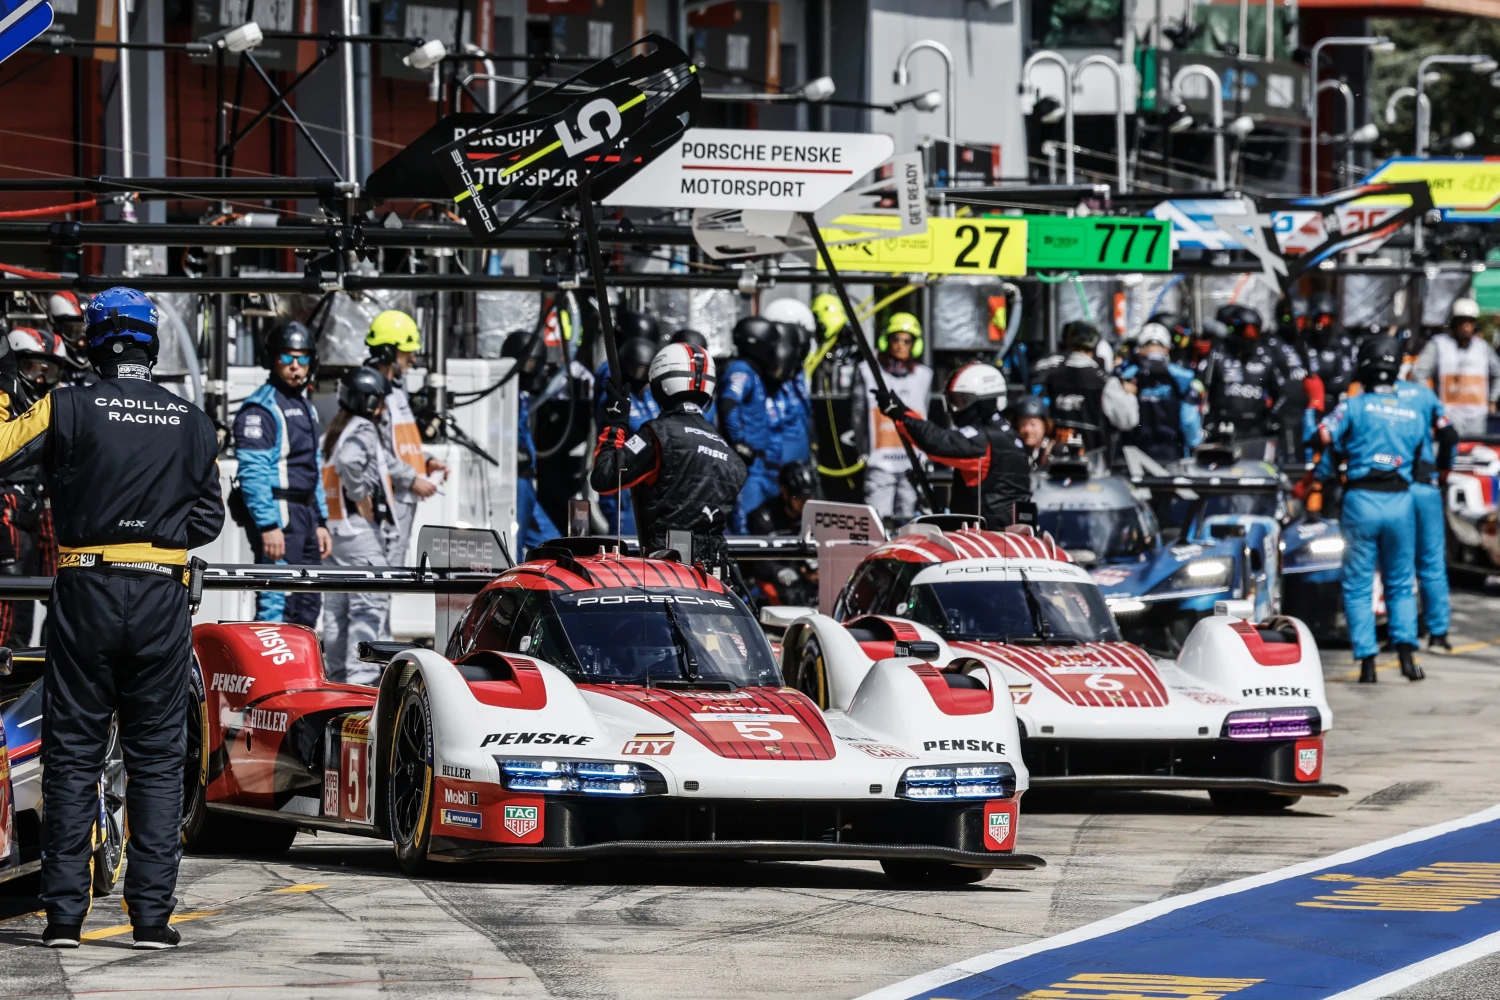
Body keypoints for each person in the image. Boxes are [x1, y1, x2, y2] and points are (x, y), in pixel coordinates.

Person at [0, 287, 223, 949]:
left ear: (92, 342)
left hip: (87, 586)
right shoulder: (191, 419)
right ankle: (151, 921)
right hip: (161, 593)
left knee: (73, 758)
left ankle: (64, 919)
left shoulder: (65, 405)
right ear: (150, 343)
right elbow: (209, 519)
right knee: (156, 762)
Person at [1313, 336, 1456, 683]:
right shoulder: (1413, 410)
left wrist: (1321, 474)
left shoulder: (1354, 405)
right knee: (1402, 580)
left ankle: (1367, 663)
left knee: (1359, 583)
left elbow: (1323, 435)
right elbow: (1444, 437)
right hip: (1402, 501)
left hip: (1360, 501)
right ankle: (1408, 655)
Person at [592, 342, 747, 574]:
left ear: (659, 385)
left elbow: (604, 477)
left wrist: (616, 424)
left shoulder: (658, 434)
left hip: (666, 576)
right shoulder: (732, 457)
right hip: (714, 580)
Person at [231, 322, 331, 627]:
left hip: (306, 516)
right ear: (272, 359)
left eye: (302, 359)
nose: (295, 367)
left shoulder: (305, 405)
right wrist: (268, 525)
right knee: (277, 601)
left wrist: (322, 521)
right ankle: (269, 672)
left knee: (309, 600)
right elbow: (253, 472)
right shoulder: (260, 409)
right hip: (279, 516)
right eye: (287, 358)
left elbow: (311, 465)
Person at [320, 366, 401, 686]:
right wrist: (362, 497)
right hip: (359, 533)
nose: (382, 408)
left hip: (336, 532)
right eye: (379, 401)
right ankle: (363, 681)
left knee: (337, 612)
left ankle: (338, 679)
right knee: (370, 605)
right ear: (368, 402)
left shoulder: (335, 430)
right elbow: (351, 462)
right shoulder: (363, 429)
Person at [881, 364, 1031, 526]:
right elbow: (986, 480)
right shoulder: (1004, 434)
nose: (953, 409)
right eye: (951, 401)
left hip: (991, 536)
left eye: (961, 401)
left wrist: (901, 414)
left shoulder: (985, 438)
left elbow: (937, 443)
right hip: (1003, 530)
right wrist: (929, 478)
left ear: (985, 401)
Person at [0, 327, 68, 645]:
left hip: (44, 515)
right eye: (32, 369)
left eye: (48, 371)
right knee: (10, 617)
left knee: (62, 600)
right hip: (10, 519)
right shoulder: (3, 399)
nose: (40, 379)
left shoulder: (60, 408)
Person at [364, 310, 447, 565]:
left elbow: (401, 444)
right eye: (407, 350)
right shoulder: (369, 392)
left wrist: (427, 460)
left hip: (401, 500)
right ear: (388, 351)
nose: (413, 357)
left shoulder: (395, 392)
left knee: (392, 580)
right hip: (383, 504)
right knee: (379, 583)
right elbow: (369, 450)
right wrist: (411, 477)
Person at [850, 311, 933, 524]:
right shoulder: (868, 372)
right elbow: (858, 419)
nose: (900, 345)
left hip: (911, 466)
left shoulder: (924, 376)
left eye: (907, 340)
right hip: (880, 465)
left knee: (909, 525)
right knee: (877, 524)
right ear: (886, 341)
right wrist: (865, 452)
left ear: (914, 344)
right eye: (896, 339)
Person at [1399, 378, 1458, 653]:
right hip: (1426, 482)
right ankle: (1438, 634)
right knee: (1432, 564)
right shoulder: (1426, 395)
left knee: (1397, 566)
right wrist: (1443, 470)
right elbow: (1450, 436)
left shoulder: (1368, 397)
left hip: (1391, 487)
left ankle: (1402, 635)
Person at [1030, 321, 1139, 454]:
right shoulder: (1104, 381)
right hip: (1093, 461)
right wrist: (1130, 394)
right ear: (1095, 346)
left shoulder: (1048, 372)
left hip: (1052, 458)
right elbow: (1128, 421)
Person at [719, 316, 783, 532]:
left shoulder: (753, 371)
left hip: (759, 465)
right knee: (746, 524)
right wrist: (738, 442)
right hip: (747, 465)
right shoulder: (742, 371)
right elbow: (728, 402)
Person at [592, 335, 660, 535]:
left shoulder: (650, 396)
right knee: (625, 541)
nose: (642, 376)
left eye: (647, 371)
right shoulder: (614, 398)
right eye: (639, 370)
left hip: (646, 481)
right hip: (622, 479)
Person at [500, 329, 560, 554]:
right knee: (512, 546)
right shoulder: (503, 395)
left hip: (526, 481)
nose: (533, 372)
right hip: (514, 480)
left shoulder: (521, 397)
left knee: (555, 545)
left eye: (537, 365)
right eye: (529, 365)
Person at [1411, 297, 1500, 438]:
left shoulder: (1482, 347)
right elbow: (1419, 374)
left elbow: (1497, 373)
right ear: (1454, 323)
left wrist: (1492, 399)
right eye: (1461, 321)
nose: (1465, 327)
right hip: (1448, 417)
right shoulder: (1438, 345)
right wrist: (1432, 404)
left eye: (1470, 322)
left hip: (1477, 419)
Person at [1119, 322, 1203, 463]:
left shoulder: (1127, 376)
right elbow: (1188, 419)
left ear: (1140, 348)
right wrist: (1195, 443)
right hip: (1172, 452)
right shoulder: (1183, 376)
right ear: (1167, 348)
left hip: (1134, 454)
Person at [1201, 305, 1285, 444]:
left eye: (1254, 331)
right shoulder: (1217, 357)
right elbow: (1199, 391)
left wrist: (1269, 421)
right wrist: (1209, 424)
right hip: (1222, 431)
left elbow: (1282, 394)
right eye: (1245, 331)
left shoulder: (1266, 359)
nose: (1249, 336)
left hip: (1255, 431)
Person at [46, 291, 95, 385]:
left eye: (88, 332)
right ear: (54, 327)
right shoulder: (45, 381)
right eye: (73, 332)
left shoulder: (105, 376)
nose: (81, 342)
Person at [1011, 395, 1053, 470]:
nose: (1028, 430)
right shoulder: (1012, 450)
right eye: (1023, 424)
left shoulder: (1054, 451)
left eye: (1033, 424)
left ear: (1045, 425)